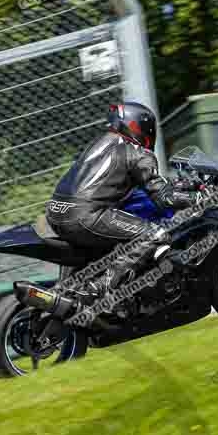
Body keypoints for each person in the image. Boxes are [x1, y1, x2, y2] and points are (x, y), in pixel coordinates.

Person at [45, 102, 196, 303]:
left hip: (56, 212)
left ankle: (66, 289)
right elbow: (164, 198)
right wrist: (197, 198)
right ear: (138, 126)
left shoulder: (100, 143)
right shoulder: (137, 152)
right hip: (85, 215)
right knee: (155, 235)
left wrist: (176, 184)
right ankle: (102, 288)